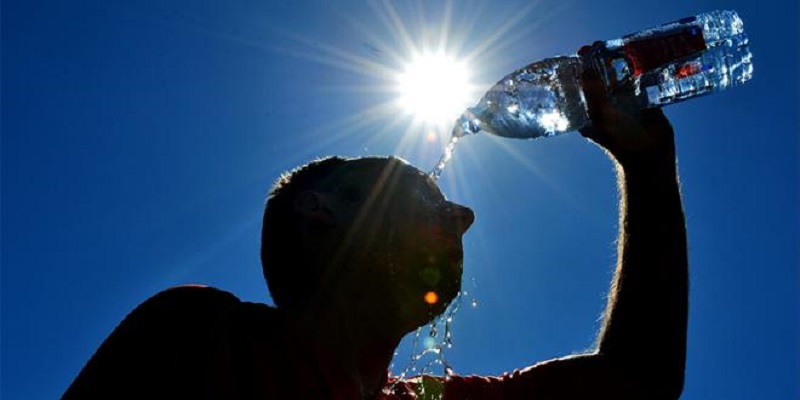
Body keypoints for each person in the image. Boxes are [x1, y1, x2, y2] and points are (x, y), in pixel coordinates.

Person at [63, 69, 688, 399]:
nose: (465, 217)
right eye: (420, 190)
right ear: (320, 213)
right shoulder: (202, 338)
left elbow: (637, 381)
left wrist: (649, 165)